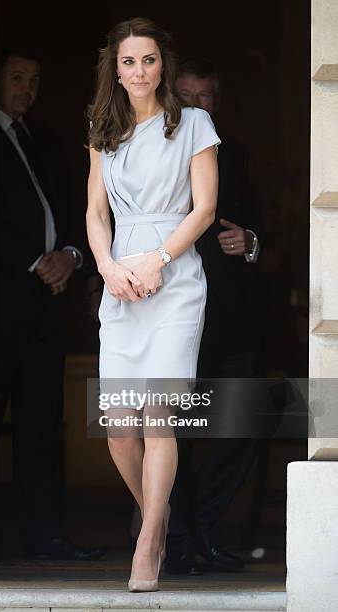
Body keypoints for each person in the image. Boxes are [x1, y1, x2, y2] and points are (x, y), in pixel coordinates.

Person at [86, 19, 220, 592]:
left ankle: (147, 542)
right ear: (113, 70)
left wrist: (156, 260)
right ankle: (162, 520)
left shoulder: (192, 123)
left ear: (162, 64)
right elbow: (95, 213)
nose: (138, 71)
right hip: (120, 283)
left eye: (148, 60)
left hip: (175, 279)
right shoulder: (101, 128)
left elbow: (205, 210)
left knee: (158, 417)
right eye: (127, 62)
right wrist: (110, 268)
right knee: (119, 427)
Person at [0, 47, 103, 561]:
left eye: (34, 79)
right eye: (16, 77)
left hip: (48, 304)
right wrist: (35, 259)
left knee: (41, 425)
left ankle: (46, 536)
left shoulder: (44, 140)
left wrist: (71, 255)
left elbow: (77, 209)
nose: (27, 88)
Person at [165, 59, 262, 575]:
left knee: (241, 423)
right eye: (187, 97)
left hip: (233, 318)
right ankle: (177, 538)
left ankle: (203, 528)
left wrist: (249, 243)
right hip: (175, 315)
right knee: (170, 432)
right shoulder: (153, 156)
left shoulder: (239, 157)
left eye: (208, 97)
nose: (199, 107)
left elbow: (269, 233)